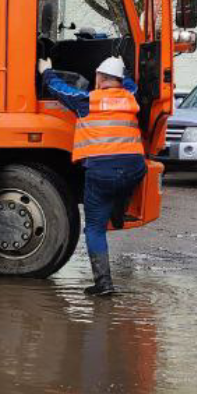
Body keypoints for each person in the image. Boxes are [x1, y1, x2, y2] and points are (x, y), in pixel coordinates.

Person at [38, 56, 147, 296]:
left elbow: (59, 89)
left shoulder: (87, 101)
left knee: (95, 229)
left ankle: (104, 284)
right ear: (120, 79)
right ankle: (118, 210)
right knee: (122, 186)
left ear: (99, 77)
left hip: (102, 171)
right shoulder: (131, 97)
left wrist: (47, 71)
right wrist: (120, 66)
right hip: (134, 167)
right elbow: (127, 82)